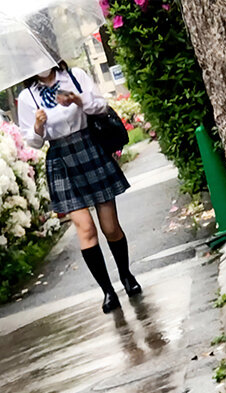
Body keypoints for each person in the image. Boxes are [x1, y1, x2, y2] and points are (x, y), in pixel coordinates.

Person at [18, 63, 141, 314]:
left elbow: (101, 106)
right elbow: (33, 141)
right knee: (86, 229)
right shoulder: (28, 96)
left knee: (111, 227)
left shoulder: (75, 76)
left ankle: (126, 275)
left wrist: (78, 100)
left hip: (89, 146)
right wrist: (38, 126)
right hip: (60, 158)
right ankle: (107, 291)